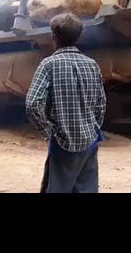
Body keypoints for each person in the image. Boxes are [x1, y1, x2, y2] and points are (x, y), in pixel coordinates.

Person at [25, 12, 106, 193]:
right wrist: (92, 128)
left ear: (54, 37)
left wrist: (49, 132)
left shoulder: (48, 64)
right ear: (78, 36)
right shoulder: (92, 65)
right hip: (89, 141)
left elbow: (32, 104)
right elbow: (101, 104)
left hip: (63, 142)